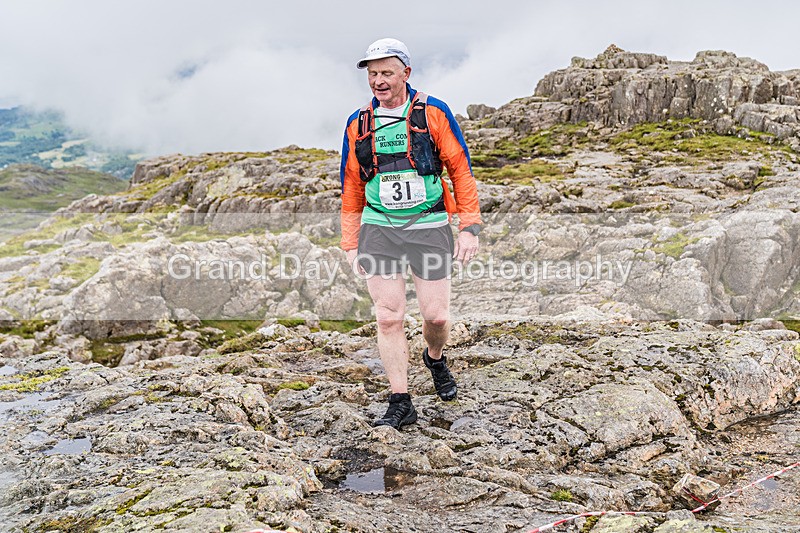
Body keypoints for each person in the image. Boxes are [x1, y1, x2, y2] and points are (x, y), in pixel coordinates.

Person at [339, 38, 482, 429]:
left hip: (429, 226)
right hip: (379, 229)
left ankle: (434, 358)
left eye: (386, 73)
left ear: (406, 73)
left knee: (436, 316)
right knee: (388, 317)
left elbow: (461, 170)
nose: (378, 81)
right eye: (372, 74)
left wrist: (468, 227)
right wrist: (350, 242)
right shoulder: (358, 123)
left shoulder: (433, 112)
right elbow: (351, 185)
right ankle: (400, 400)